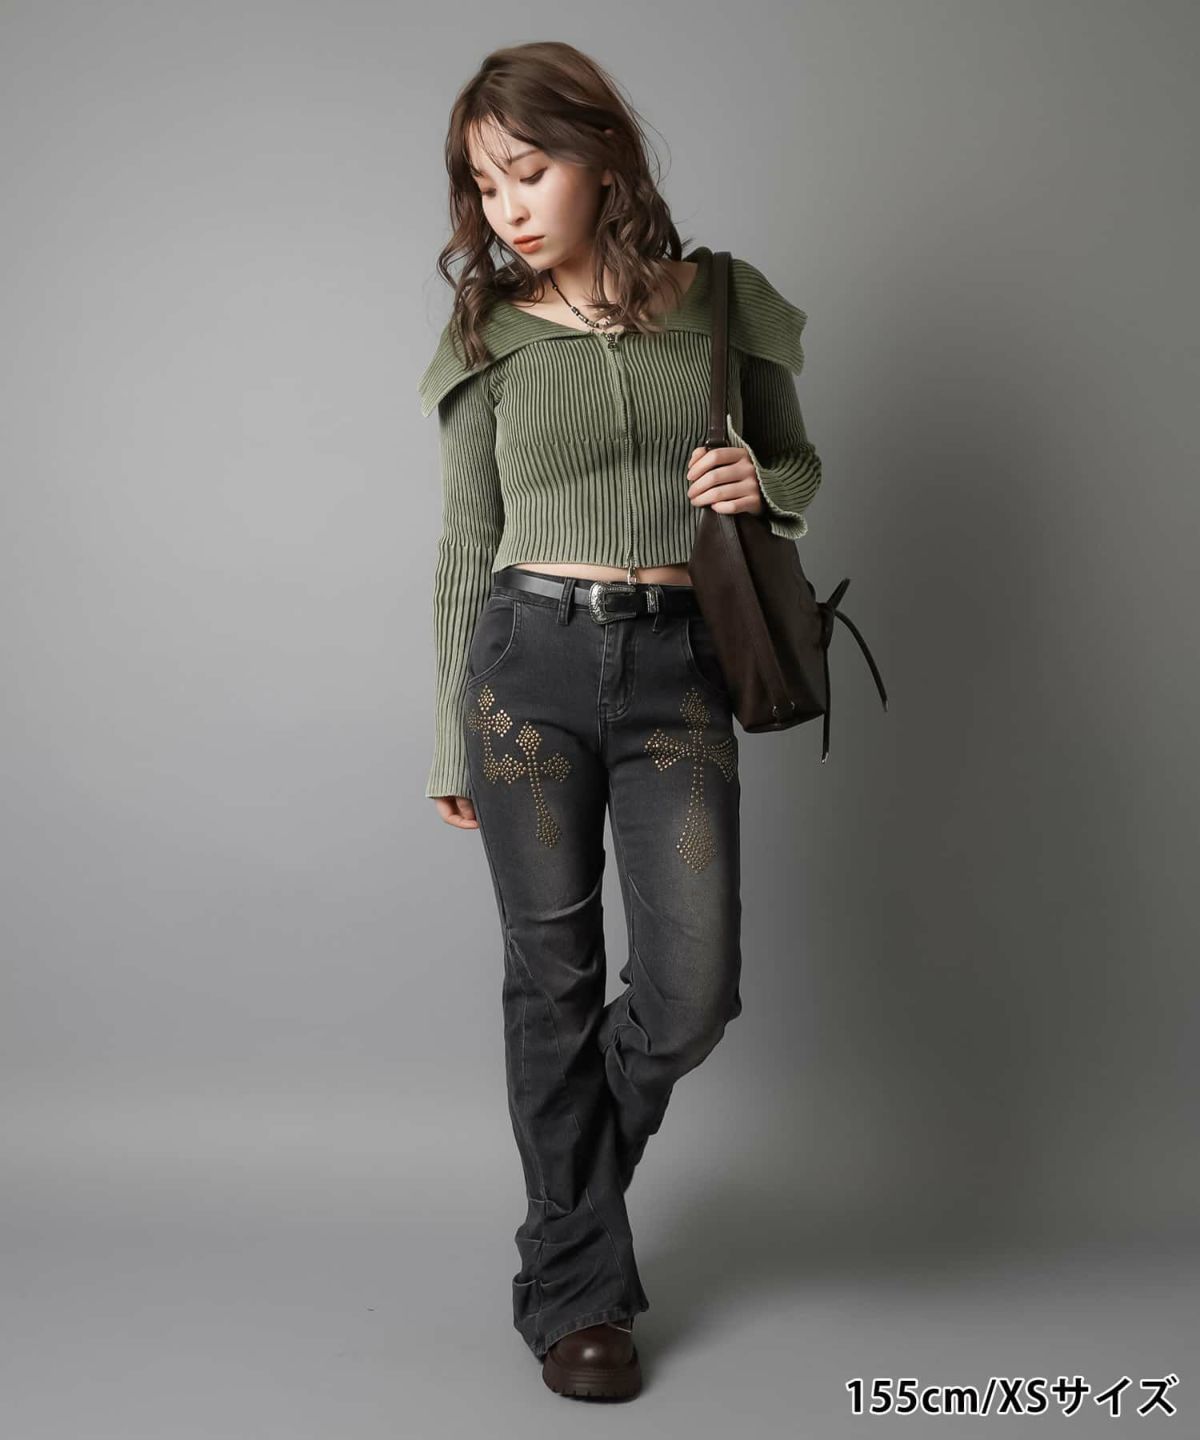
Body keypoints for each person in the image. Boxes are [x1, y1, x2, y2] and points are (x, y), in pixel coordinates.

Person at [418, 40, 822, 1400]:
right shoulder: (488, 333)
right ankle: (581, 1299)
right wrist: (443, 734)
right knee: (552, 983)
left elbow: (797, 461)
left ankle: (559, 1223)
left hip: (677, 672)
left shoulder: (721, 302)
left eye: (528, 172)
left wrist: (761, 480)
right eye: (484, 186)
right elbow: (463, 544)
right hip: (524, 670)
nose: (507, 208)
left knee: (692, 991)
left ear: (603, 156)